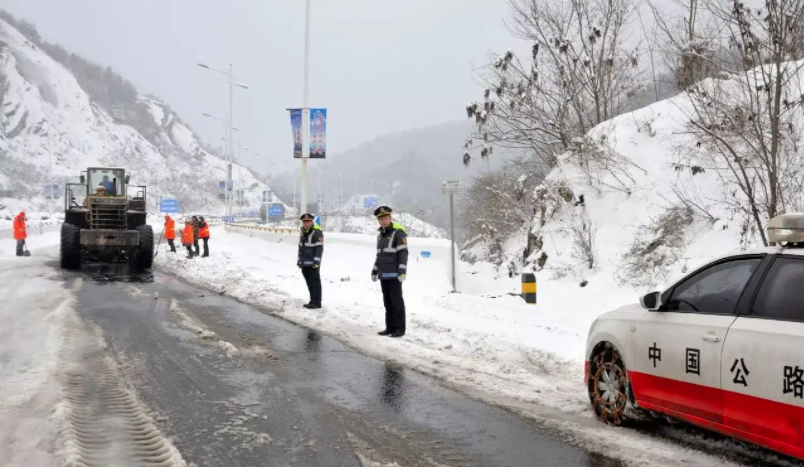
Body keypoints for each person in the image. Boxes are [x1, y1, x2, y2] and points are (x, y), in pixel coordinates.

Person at [371, 206, 408, 338]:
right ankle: (390, 327)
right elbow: (379, 256)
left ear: (390, 218)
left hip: (394, 275)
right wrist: (375, 270)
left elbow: (403, 253)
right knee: (387, 302)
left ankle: (399, 329)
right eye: (381, 219)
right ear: (379, 221)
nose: (384, 220)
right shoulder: (380, 236)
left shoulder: (398, 233)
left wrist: (402, 271)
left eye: (386, 218)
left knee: (396, 302)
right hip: (383, 274)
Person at [297, 213, 323, 309]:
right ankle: (312, 301)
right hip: (305, 263)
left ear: (312, 222)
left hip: (313, 264)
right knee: (309, 283)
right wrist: (299, 261)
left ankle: (317, 302)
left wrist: (316, 262)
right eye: (304, 222)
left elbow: (319, 249)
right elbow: (301, 248)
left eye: (308, 222)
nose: (306, 223)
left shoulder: (316, 232)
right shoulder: (303, 232)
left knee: (315, 283)